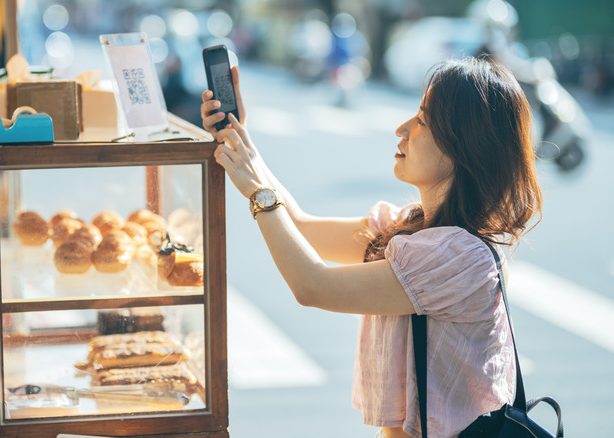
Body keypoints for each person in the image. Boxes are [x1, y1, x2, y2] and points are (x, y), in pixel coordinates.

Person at [200, 57, 542, 438]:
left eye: (423, 121)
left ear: (466, 147)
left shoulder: (458, 258)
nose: (402, 128)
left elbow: (312, 285)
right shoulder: (414, 228)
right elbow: (301, 228)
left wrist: (257, 193)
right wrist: (242, 141)